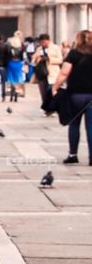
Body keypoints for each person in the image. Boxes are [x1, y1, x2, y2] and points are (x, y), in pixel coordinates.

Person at [52, 30, 92, 164]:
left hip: (75, 95)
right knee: (91, 127)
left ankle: (73, 155)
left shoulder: (73, 54)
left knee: (74, 124)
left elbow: (64, 73)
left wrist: (55, 87)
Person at [33, 33, 63, 111]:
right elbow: (33, 61)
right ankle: (46, 108)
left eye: (45, 42)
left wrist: (49, 59)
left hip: (52, 73)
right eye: (41, 42)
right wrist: (37, 59)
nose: (43, 44)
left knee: (51, 91)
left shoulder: (56, 48)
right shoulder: (39, 49)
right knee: (43, 92)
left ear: (49, 40)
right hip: (42, 73)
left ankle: (52, 108)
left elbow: (60, 60)